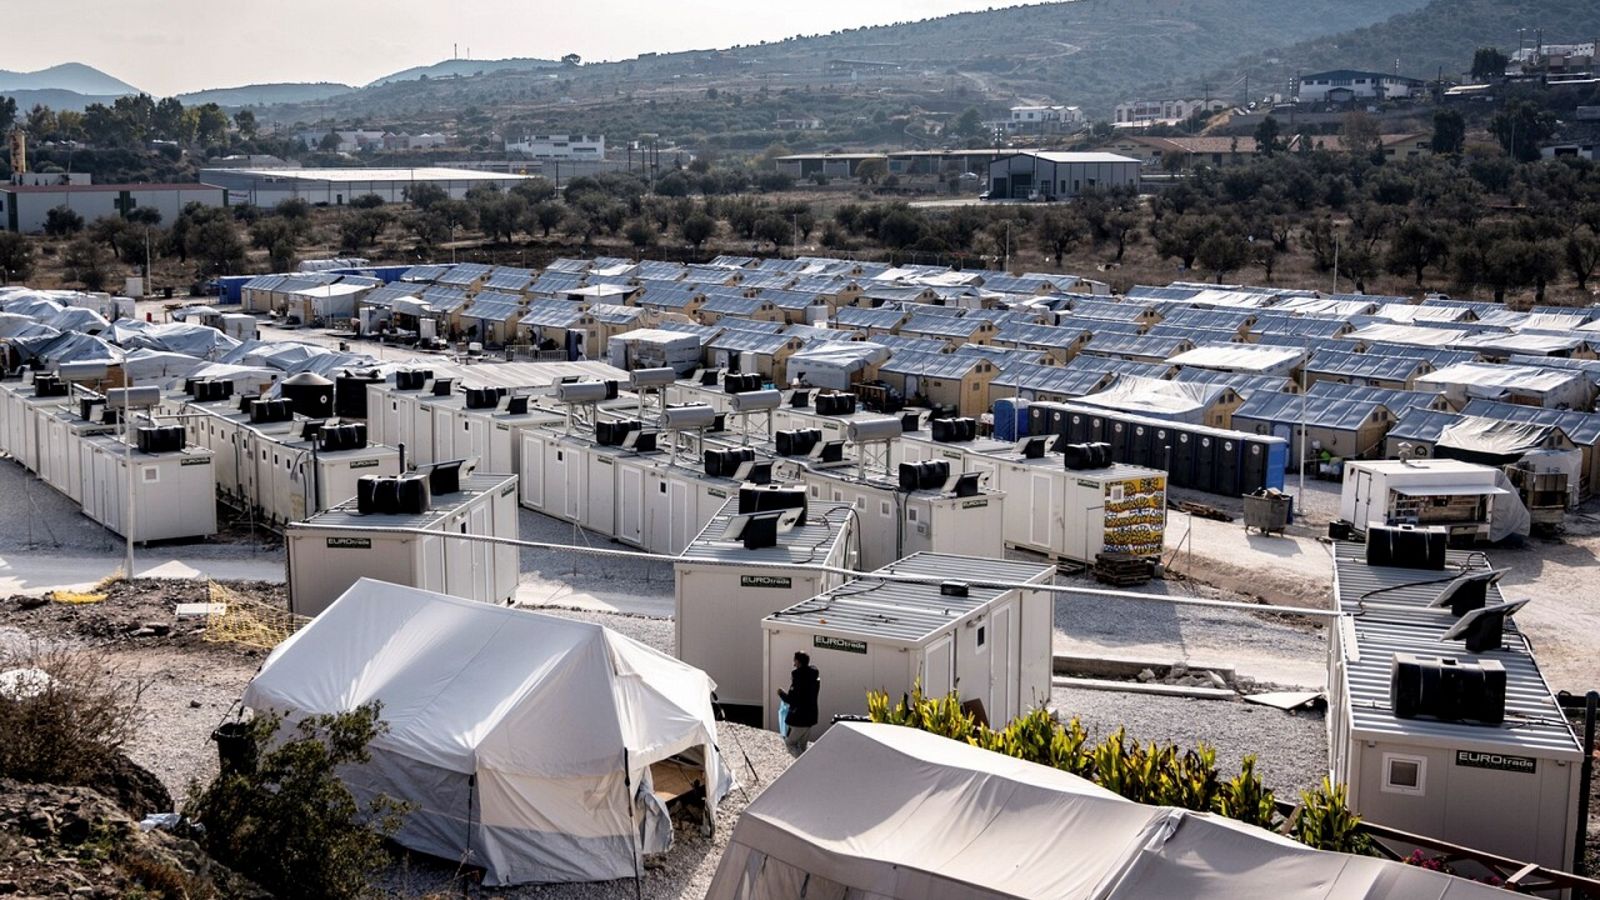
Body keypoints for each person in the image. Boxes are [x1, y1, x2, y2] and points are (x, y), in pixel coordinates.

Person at [777, 651, 820, 755]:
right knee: (802, 746)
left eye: (795, 660)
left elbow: (791, 700)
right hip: (811, 717)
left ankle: (802, 765)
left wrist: (781, 693)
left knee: (790, 743)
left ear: (798, 662)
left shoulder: (799, 678)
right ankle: (806, 768)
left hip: (799, 718)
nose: (794, 664)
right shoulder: (814, 676)